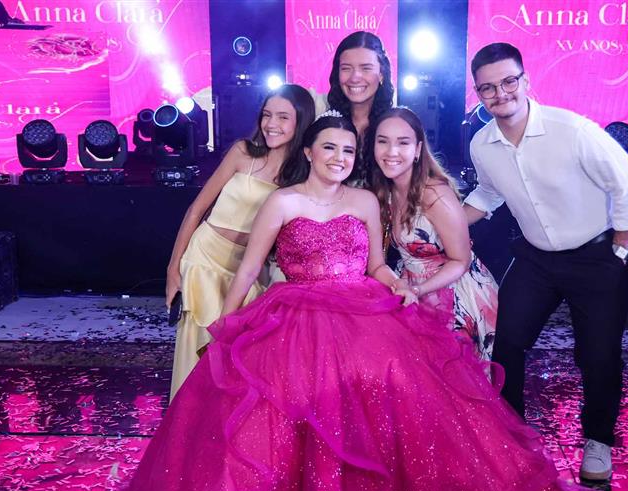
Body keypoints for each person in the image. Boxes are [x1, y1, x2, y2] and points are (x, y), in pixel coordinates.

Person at [104, 114, 607, 491]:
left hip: (358, 309)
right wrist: (228, 325)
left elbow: (376, 266)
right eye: (329, 147)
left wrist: (401, 288)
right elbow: (249, 268)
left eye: (348, 150)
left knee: (397, 402)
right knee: (278, 416)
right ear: (308, 152)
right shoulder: (281, 202)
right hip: (295, 313)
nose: (339, 157)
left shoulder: (366, 200)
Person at [463, 43, 628, 481]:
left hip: (596, 255)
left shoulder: (572, 130)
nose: (500, 93)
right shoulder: (482, 145)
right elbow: (488, 194)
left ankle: (598, 441)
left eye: (509, 81)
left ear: (525, 80)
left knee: (598, 354)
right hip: (535, 259)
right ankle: (512, 433)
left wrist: (620, 250)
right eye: (488, 87)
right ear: (479, 93)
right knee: (505, 341)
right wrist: (440, 222)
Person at [165, 84, 314, 398]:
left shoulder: (302, 177)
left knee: (234, 357)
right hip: (205, 257)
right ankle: (186, 420)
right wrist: (172, 269)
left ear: (301, 122)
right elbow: (196, 210)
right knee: (197, 347)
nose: (271, 124)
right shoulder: (243, 152)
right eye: (267, 115)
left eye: (283, 117)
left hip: (247, 270)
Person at [369, 107, 498, 359]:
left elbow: (461, 261)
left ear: (418, 150)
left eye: (403, 142)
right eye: (382, 141)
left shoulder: (435, 194)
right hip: (411, 287)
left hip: (455, 293)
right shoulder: (387, 191)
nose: (391, 151)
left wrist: (418, 290)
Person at [318, 31, 394, 184]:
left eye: (366, 68)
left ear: (381, 74)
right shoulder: (323, 120)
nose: (354, 77)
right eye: (346, 68)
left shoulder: (394, 125)